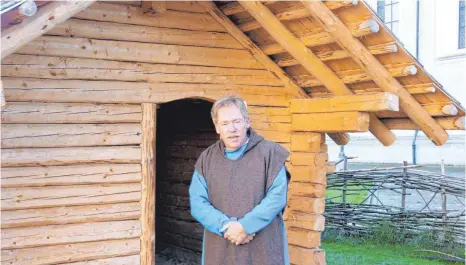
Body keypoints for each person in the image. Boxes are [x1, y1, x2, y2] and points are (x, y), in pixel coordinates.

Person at [189, 96, 291, 265]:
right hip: (220, 246)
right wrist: (228, 227)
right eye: (225, 123)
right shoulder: (206, 158)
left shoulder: (270, 153)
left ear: (247, 122)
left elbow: (276, 198)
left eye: (237, 121)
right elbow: (197, 202)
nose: (232, 128)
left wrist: (246, 226)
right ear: (217, 128)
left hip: (264, 246)